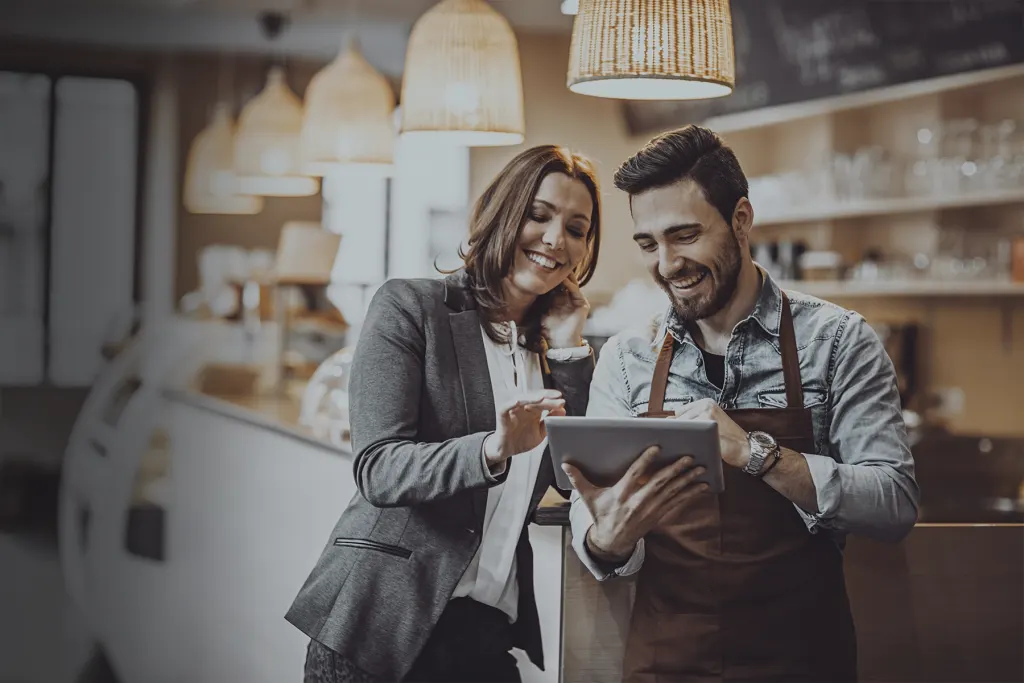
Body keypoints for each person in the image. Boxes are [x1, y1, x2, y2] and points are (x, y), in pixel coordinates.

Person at [561, 125, 920, 683]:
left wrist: (757, 453)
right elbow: (600, 530)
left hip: (802, 660)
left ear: (742, 219)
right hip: (666, 660)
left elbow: (893, 504)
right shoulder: (627, 358)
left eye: (684, 235)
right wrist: (605, 539)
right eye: (649, 244)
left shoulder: (838, 341)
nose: (667, 263)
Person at [286, 145, 602, 683]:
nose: (557, 240)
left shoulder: (554, 351)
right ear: (504, 212)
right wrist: (491, 449)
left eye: (577, 228)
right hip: (382, 630)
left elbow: (579, 479)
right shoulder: (412, 308)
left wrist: (570, 346)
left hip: (486, 635)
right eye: (540, 215)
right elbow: (379, 468)